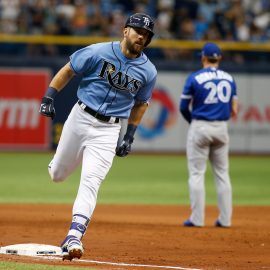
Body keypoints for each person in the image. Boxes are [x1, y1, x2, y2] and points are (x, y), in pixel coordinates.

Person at [39, 13, 157, 260]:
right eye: (138, 32)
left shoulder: (148, 71)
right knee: (57, 175)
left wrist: (130, 135)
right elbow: (69, 70)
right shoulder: (97, 52)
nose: (142, 37)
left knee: (91, 181)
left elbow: (141, 104)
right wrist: (49, 96)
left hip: (108, 130)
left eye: (146, 35)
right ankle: (63, 161)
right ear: (125, 31)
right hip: (80, 118)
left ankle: (74, 235)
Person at [179, 42, 238, 228]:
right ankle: (225, 220)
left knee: (197, 173)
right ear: (219, 58)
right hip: (221, 127)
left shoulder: (195, 77)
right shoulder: (229, 78)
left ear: (203, 57)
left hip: (200, 126)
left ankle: (197, 219)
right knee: (222, 174)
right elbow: (234, 109)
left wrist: (195, 123)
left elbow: (183, 107)